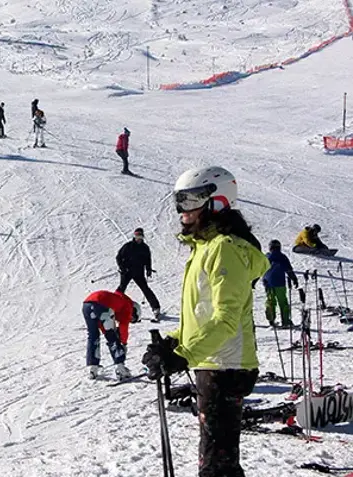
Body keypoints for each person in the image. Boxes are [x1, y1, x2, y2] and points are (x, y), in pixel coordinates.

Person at [142, 166, 268, 477]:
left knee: (217, 467)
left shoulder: (225, 249)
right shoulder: (206, 248)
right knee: (214, 462)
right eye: (179, 201)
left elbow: (225, 320)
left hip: (225, 366)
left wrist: (182, 355)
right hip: (212, 362)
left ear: (218, 201)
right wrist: (174, 342)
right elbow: (202, 315)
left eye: (191, 201)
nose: (182, 211)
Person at [83, 289, 139, 380]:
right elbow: (123, 326)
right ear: (135, 310)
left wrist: (107, 332)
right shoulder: (128, 305)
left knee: (93, 336)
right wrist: (123, 343)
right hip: (101, 305)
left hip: (87, 304)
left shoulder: (118, 300)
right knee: (112, 336)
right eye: (133, 318)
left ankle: (93, 368)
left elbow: (102, 323)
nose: (130, 319)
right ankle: (120, 369)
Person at [116, 227, 161, 320]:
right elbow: (118, 257)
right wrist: (122, 268)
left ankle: (156, 308)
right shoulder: (128, 246)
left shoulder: (145, 248)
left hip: (138, 272)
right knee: (121, 290)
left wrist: (148, 269)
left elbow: (147, 259)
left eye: (140, 236)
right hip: (127, 271)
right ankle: (113, 307)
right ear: (134, 236)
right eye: (137, 236)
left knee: (145, 289)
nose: (139, 238)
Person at [263, 239, 299, 328]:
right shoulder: (282, 257)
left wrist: (255, 281)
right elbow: (288, 270)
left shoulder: (266, 257)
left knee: (270, 301)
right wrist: (294, 279)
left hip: (268, 283)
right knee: (283, 302)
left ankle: (271, 320)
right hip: (280, 283)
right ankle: (286, 321)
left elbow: (259, 269)